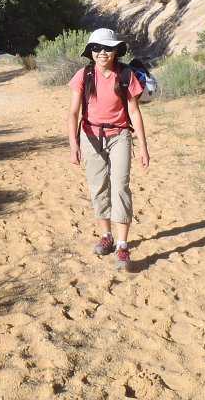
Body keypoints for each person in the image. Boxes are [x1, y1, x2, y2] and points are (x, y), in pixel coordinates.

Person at [66, 28, 150, 272]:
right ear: (90, 51)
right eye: (96, 48)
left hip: (120, 135)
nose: (102, 52)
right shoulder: (84, 75)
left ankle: (122, 245)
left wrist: (143, 147)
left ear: (116, 51)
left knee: (120, 186)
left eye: (107, 48)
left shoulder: (125, 74)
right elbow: (73, 112)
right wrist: (74, 143)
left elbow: (134, 111)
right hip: (91, 136)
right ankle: (106, 235)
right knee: (98, 186)